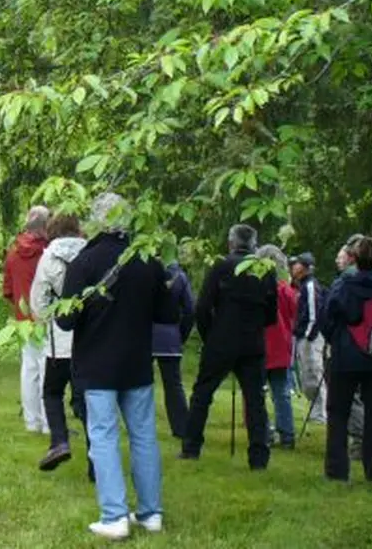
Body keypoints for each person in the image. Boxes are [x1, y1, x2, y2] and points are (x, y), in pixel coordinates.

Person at [57, 193, 178, 540]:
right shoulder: (147, 261)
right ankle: (151, 513)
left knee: (104, 438)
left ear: (96, 220)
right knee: (143, 437)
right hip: (137, 363)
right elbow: (168, 314)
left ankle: (114, 516)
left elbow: (65, 321)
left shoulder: (86, 261)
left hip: (97, 365)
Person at [179, 224, 278, 469]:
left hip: (221, 340)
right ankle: (259, 457)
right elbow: (272, 314)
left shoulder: (221, 267)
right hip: (252, 343)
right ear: (254, 245)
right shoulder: (265, 270)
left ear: (231, 243)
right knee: (255, 400)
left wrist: (209, 334)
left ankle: (191, 447)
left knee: (202, 394)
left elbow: (202, 307)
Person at [320, 234, 372, 483]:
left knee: (338, 412)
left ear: (353, 258)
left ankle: (337, 470)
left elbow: (326, 318)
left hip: (347, 355)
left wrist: (336, 339)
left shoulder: (343, 285)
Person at [29, 213, 89, 471]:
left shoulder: (48, 258)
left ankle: (59, 441)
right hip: (89, 340)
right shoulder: (91, 254)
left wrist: (46, 318)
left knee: (52, 392)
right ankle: (96, 455)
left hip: (60, 340)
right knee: (86, 400)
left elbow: (38, 302)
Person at [3, 205, 51, 434]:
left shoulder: (13, 254)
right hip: (47, 317)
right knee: (47, 368)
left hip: (24, 320)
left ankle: (32, 423)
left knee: (29, 369)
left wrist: (22, 311)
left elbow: (8, 291)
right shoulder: (48, 252)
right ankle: (49, 423)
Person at [151, 248, 196, 439]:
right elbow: (189, 309)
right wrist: (181, 335)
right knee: (173, 386)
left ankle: (141, 426)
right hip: (170, 336)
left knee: (141, 385)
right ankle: (181, 428)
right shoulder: (180, 277)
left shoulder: (147, 274)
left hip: (146, 334)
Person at [258, 244, 297, 449]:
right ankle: (287, 433)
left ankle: (263, 431)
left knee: (256, 391)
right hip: (281, 345)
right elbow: (294, 314)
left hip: (260, 344)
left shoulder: (256, 287)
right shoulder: (285, 290)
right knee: (281, 391)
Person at [290, 252, 327, 425]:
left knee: (313, 372)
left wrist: (307, 337)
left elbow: (314, 314)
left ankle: (320, 412)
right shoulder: (302, 286)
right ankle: (315, 409)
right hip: (304, 335)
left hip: (310, 337)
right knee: (307, 374)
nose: (293, 267)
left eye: (297, 264)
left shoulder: (310, 286)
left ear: (305, 267)